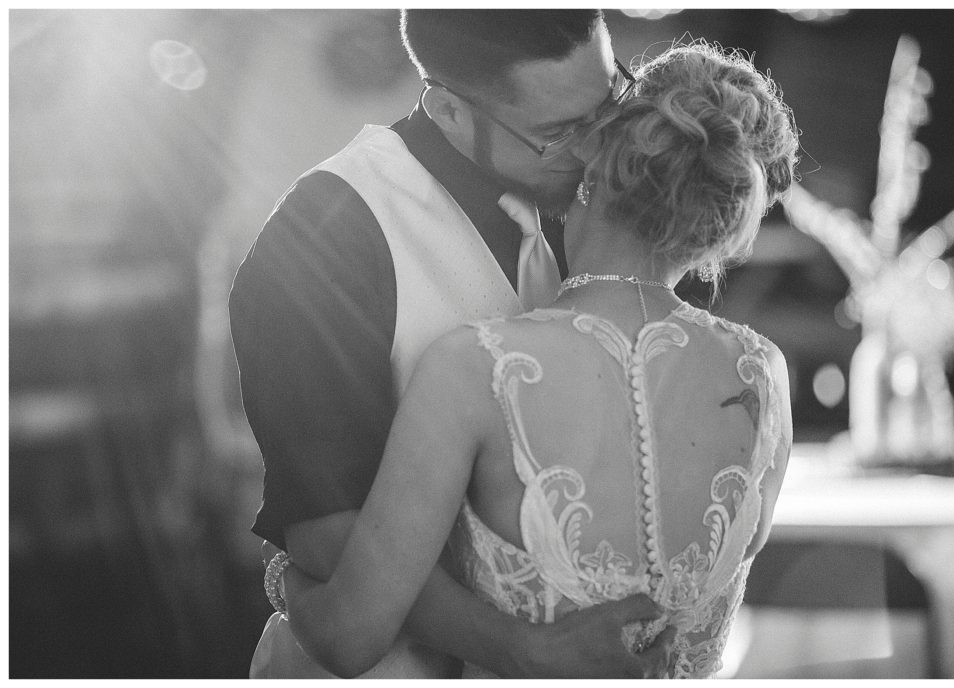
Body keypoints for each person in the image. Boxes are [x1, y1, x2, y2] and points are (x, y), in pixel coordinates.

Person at [278, 39, 799, 679]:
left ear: (596, 173)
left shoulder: (478, 369)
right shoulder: (762, 377)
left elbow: (349, 636)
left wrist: (289, 580)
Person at [229, 10, 675, 679]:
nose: (595, 152)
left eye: (609, 100)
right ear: (449, 110)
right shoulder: (321, 240)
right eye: (559, 135)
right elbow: (328, 538)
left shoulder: (596, 203)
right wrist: (530, 651)